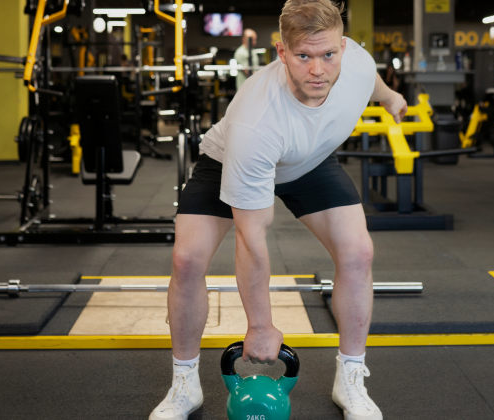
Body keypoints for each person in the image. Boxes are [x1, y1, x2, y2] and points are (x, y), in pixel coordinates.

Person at [149, 0, 407, 419]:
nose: (318, 70)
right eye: (303, 56)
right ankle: (184, 381)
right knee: (187, 260)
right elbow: (251, 236)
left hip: (309, 161)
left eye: (328, 55)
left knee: (358, 253)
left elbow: (369, 79)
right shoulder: (256, 120)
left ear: (343, 47)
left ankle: (351, 377)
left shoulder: (356, 61)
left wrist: (391, 96)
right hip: (230, 160)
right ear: (281, 52)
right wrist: (260, 324)